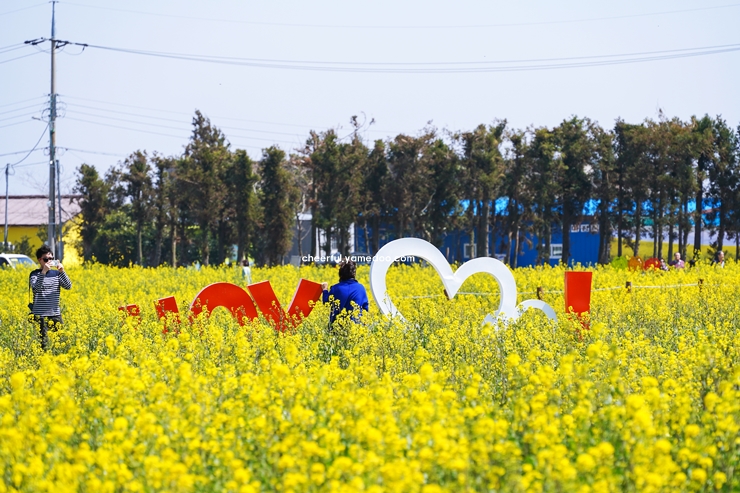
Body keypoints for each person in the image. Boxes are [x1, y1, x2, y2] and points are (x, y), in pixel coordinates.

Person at [29, 245, 72, 350]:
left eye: (51, 259)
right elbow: (36, 289)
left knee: (60, 344)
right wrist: (43, 272)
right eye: (46, 259)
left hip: (55, 314)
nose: (49, 261)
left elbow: (68, 286)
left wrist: (62, 271)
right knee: (43, 345)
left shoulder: (57, 274)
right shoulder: (34, 274)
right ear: (40, 260)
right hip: (40, 315)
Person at [321, 259, 369, 325]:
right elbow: (365, 309)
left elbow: (326, 302)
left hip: (337, 327)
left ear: (340, 273)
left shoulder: (335, 288)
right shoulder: (361, 288)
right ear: (354, 273)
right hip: (357, 327)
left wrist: (325, 289)